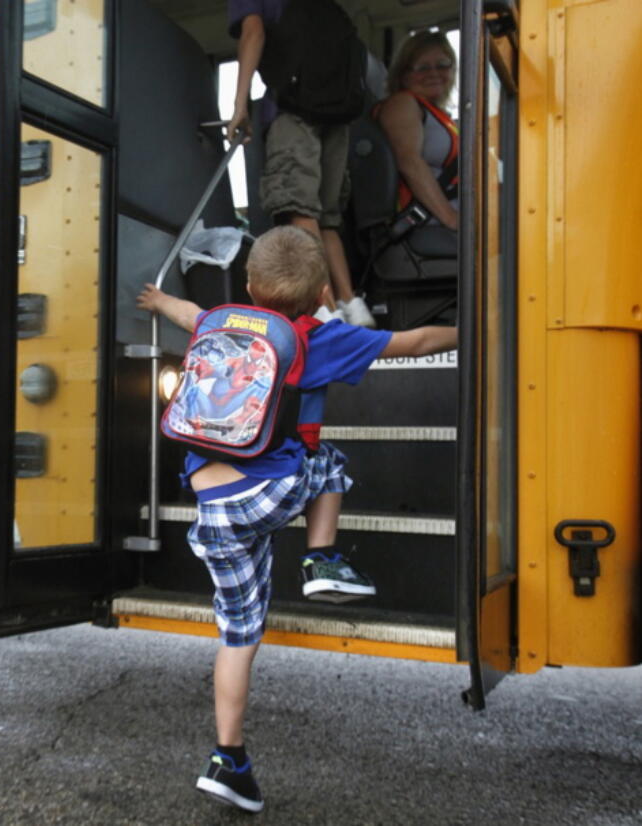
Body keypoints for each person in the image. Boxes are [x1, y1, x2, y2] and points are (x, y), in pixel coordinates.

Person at [135, 225, 456, 813]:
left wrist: (157, 301)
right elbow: (412, 343)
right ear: (320, 296)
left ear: (250, 285)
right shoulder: (317, 337)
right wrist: (475, 330)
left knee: (237, 635)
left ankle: (227, 759)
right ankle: (321, 557)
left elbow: (189, 313)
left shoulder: (217, 324)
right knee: (329, 461)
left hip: (213, 512)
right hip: (275, 491)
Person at [227, 0, 376, 327]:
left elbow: (253, 32)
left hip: (292, 112)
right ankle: (352, 307)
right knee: (327, 219)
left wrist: (240, 105)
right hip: (336, 115)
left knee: (300, 211)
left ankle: (326, 315)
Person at [375, 31, 459, 230]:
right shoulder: (403, 103)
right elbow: (408, 161)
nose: (434, 73)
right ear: (404, 76)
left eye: (442, 65)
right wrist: (452, 219)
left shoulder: (443, 117)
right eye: (422, 68)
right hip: (430, 228)